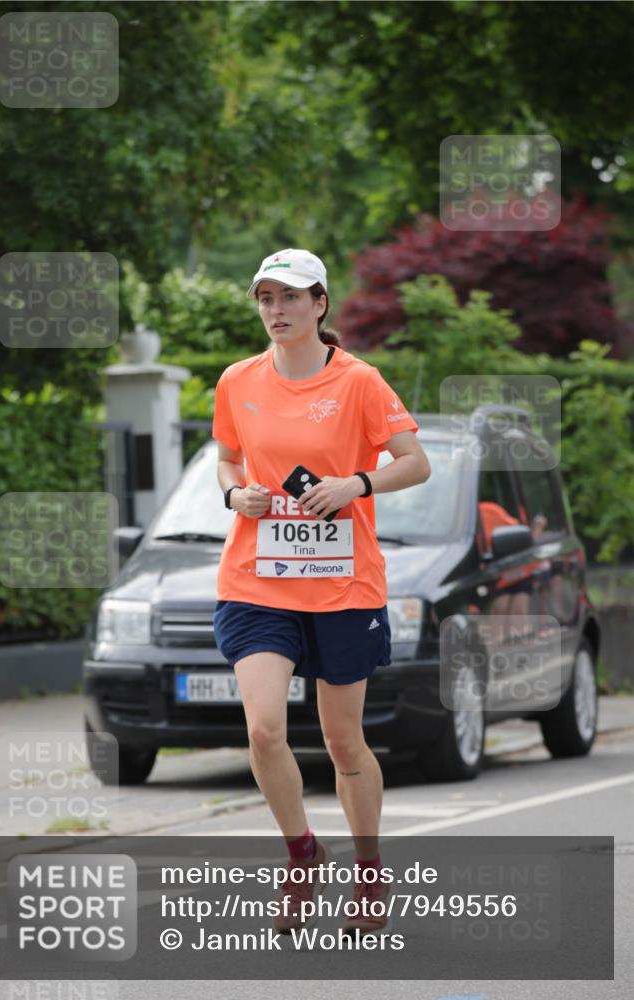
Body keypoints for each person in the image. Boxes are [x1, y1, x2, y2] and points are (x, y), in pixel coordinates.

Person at [211, 248, 431, 936]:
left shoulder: (360, 381)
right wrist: (233, 492)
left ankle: (368, 872)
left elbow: (413, 462)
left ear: (319, 305)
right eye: (265, 299)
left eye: (290, 298)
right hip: (257, 580)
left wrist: (356, 484)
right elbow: (224, 456)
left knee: (341, 741)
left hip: (342, 584)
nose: (276, 311)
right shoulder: (236, 379)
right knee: (263, 727)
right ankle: (301, 852)